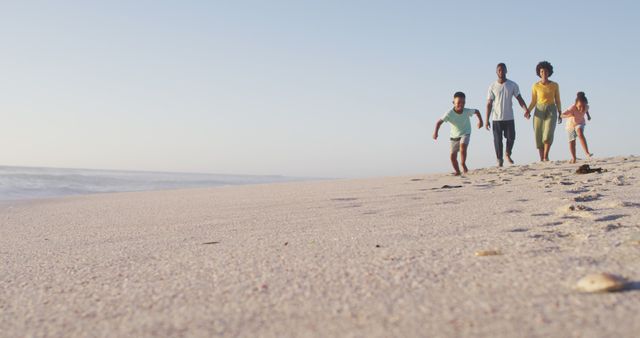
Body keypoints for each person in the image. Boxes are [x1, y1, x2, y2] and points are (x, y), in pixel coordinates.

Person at [485, 63, 531, 167]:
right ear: (497, 72)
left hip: (509, 117)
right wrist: (486, 119)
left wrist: (526, 109)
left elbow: (519, 98)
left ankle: (507, 153)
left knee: (511, 137)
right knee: (497, 140)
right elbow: (489, 103)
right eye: (499, 70)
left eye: (503, 70)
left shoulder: (512, 85)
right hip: (496, 118)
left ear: (506, 71)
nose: (501, 72)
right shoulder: (492, 86)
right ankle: (499, 160)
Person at [433, 91, 483, 176]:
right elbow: (439, 122)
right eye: (458, 102)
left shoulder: (467, 111)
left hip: (465, 133)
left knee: (463, 146)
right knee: (452, 156)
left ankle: (463, 163)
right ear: (453, 103)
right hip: (454, 136)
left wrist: (480, 122)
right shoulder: (449, 113)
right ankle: (457, 171)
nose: (461, 104)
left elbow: (477, 111)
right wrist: (435, 133)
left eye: (463, 102)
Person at [528, 61, 562, 162]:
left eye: (546, 71)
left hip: (551, 109)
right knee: (538, 134)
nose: (544, 73)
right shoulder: (535, 86)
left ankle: (546, 156)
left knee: (548, 133)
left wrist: (560, 112)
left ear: (549, 72)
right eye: (541, 71)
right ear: (539, 72)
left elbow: (558, 100)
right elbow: (533, 101)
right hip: (539, 109)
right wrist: (528, 111)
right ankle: (541, 158)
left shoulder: (555, 85)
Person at [561, 92, 593, 163]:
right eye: (579, 106)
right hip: (571, 125)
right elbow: (561, 115)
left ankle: (587, 152)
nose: (581, 108)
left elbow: (586, 110)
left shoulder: (586, 106)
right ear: (576, 104)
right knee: (572, 141)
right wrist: (568, 116)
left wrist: (588, 116)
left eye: (583, 106)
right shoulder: (572, 107)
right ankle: (574, 157)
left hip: (580, 123)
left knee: (580, 133)